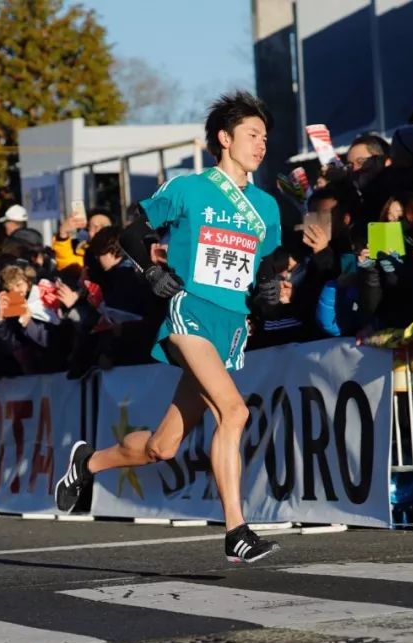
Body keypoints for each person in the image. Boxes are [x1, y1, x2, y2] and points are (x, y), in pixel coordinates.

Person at [54, 91, 287, 563]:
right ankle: (237, 530)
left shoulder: (266, 206)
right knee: (235, 413)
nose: (261, 144)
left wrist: (266, 288)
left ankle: (88, 463)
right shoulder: (189, 188)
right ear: (224, 139)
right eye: (251, 134)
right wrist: (151, 270)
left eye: (265, 136)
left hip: (231, 326)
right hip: (191, 314)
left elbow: (268, 260)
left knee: (164, 447)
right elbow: (132, 231)